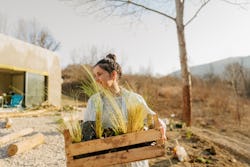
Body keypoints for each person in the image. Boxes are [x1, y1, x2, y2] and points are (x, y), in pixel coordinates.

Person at [83, 53, 166, 167]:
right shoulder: (93, 101)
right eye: (95, 76)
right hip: (106, 161)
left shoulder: (134, 99)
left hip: (133, 161)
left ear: (113, 75)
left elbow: (152, 120)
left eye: (99, 74)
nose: (96, 79)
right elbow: (86, 130)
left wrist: (160, 125)